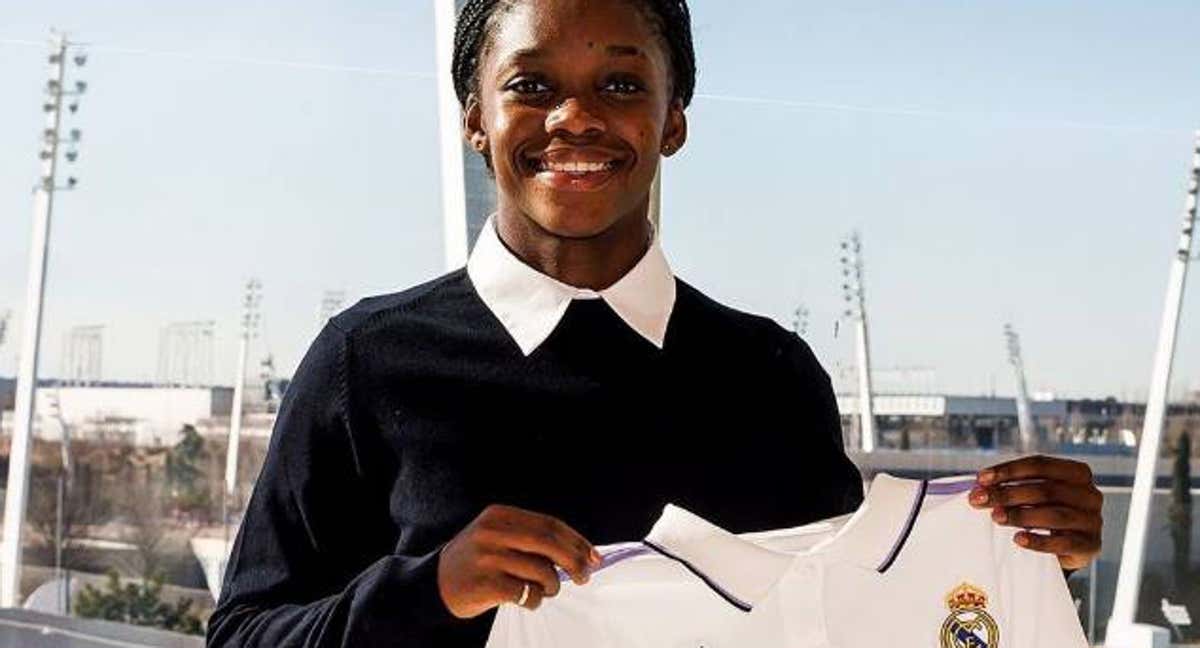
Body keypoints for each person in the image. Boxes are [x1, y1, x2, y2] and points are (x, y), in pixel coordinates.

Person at [205, 1, 1103, 646]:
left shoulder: (770, 373)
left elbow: (845, 618)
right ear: (476, 117)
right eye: (531, 83)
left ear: (673, 120)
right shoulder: (367, 363)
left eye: (623, 83)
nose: (576, 118)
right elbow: (243, 635)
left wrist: (1030, 554)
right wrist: (429, 591)